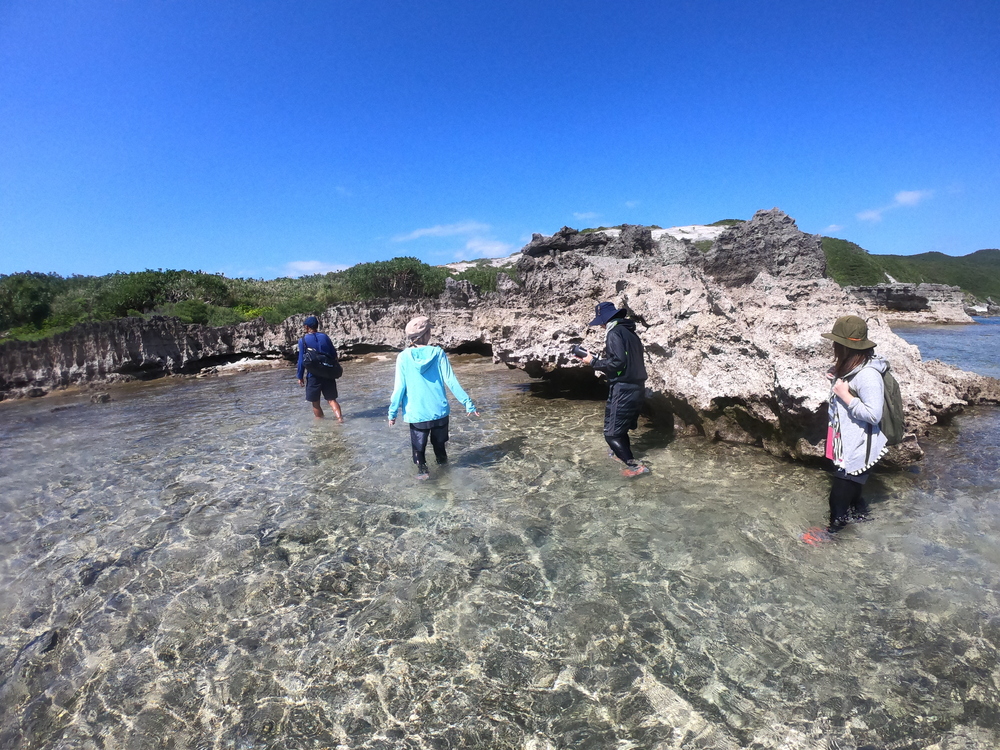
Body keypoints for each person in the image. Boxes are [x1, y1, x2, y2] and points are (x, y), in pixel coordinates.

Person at [819, 314, 888, 535]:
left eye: (836, 343)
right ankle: (864, 527)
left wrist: (845, 395)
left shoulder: (868, 374)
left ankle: (830, 538)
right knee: (854, 497)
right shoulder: (855, 368)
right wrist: (836, 377)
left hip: (858, 450)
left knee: (838, 501)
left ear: (845, 346)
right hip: (848, 445)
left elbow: (873, 414)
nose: (833, 346)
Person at [388, 316, 479, 479]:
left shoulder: (403, 357)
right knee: (440, 448)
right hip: (439, 412)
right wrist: (468, 403)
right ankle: (446, 477)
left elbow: (399, 388)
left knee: (418, 450)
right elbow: (451, 381)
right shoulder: (438, 353)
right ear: (427, 334)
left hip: (417, 414)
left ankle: (423, 475)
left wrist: (392, 413)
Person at [578, 301, 650, 477]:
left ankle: (635, 467)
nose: (601, 325)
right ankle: (621, 456)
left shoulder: (614, 333)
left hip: (623, 389)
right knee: (620, 430)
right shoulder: (630, 333)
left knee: (611, 435)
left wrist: (593, 362)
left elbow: (618, 362)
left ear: (607, 320)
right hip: (637, 387)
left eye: (602, 322)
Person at [297, 315, 343, 422]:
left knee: (315, 403)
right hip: (328, 373)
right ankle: (340, 419)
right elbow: (334, 355)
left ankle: (319, 426)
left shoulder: (303, 340)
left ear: (306, 327)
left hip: (313, 376)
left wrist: (300, 376)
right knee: (332, 400)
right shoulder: (325, 337)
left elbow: (301, 361)